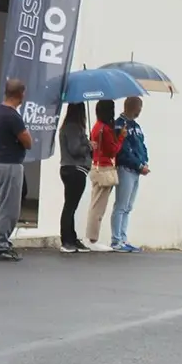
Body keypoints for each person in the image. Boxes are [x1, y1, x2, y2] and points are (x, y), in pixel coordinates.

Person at [0, 79, 32, 262]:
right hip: (10, 164)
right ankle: (0, 245)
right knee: (10, 207)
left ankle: (2, 241)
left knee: (0, 205)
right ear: (20, 94)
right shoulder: (13, 116)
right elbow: (27, 141)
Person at [111, 96, 148, 253]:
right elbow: (124, 150)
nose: (140, 110)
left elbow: (141, 146)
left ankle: (123, 238)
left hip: (136, 171)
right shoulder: (120, 125)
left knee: (128, 207)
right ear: (133, 107)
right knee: (120, 205)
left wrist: (144, 161)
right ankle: (116, 240)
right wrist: (138, 165)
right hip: (126, 169)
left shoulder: (137, 126)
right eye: (139, 107)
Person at [84, 100, 122, 251]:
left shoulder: (96, 127)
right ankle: (92, 239)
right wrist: (121, 137)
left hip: (97, 166)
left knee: (96, 203)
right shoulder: (105, 129)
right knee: (98, 206)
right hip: (105, 168)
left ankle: (91, 237)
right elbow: (112, 150)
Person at [57, 102, 92, 253]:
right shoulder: (73, 127)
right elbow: (75, 148)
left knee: (71, 205)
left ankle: (71, 237)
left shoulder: (70, 126)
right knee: (70, 206)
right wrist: (89, 146)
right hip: (74, 169)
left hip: (70, 168)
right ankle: (67, 240)